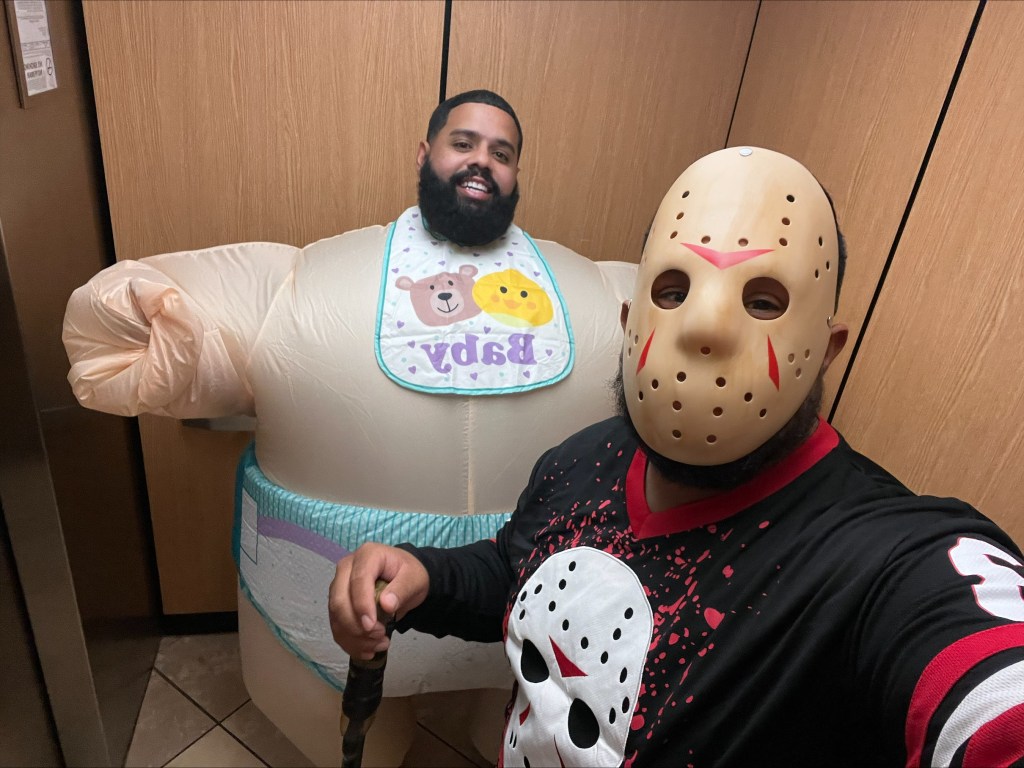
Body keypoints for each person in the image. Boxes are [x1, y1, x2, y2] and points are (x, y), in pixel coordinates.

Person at [329, 146, 1024, 767]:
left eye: (763, 300)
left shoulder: (878, 560)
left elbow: (984, 681)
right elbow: (516, 570)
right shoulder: (580, 461)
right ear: (630, 323)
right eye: (672, 291)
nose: (706, 328)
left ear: (826, 349)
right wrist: (424, 578)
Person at [62, 90, 636, 765]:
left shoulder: (595, 292)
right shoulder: (306, 283)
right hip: (333, 602)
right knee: (361, 745)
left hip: (527, 601)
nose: (481, 161)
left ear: (516, 175)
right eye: (463, 143)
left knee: (509, 739)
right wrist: (161, 322)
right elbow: (118, 335)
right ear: (424, 154)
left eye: (501, 152)